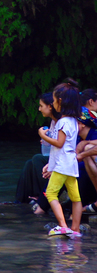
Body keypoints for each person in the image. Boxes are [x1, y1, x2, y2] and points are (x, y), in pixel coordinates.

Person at [39, 82, 83, 237]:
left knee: (51, 194)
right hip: (71, 164)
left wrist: (43, 136)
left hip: (62, 164)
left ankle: (63, 226)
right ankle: (75, 230)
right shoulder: (73, 121)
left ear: (60, 101)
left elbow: (59, 143)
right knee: (76, 198)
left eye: (54, 99)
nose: (53, 102)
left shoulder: (63, 122)